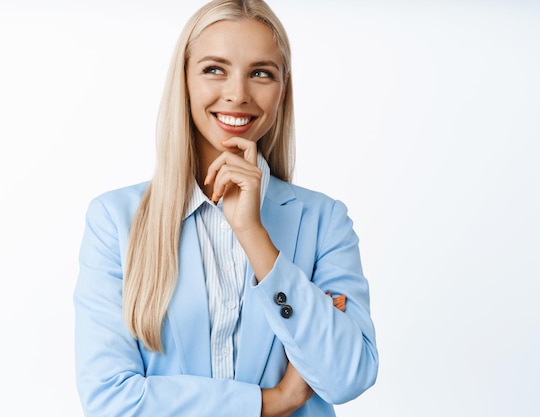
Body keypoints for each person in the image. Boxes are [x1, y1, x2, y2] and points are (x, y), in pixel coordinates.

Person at [73, 0, 378, 416]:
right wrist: (271, 403)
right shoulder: (115, 219)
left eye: (261, 73)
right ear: (184, 79)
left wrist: (254, 235)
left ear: (283, 88)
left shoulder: (325, 222)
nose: (237, 93)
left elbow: (347, 376)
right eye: (214, 69)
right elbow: (110, 400)